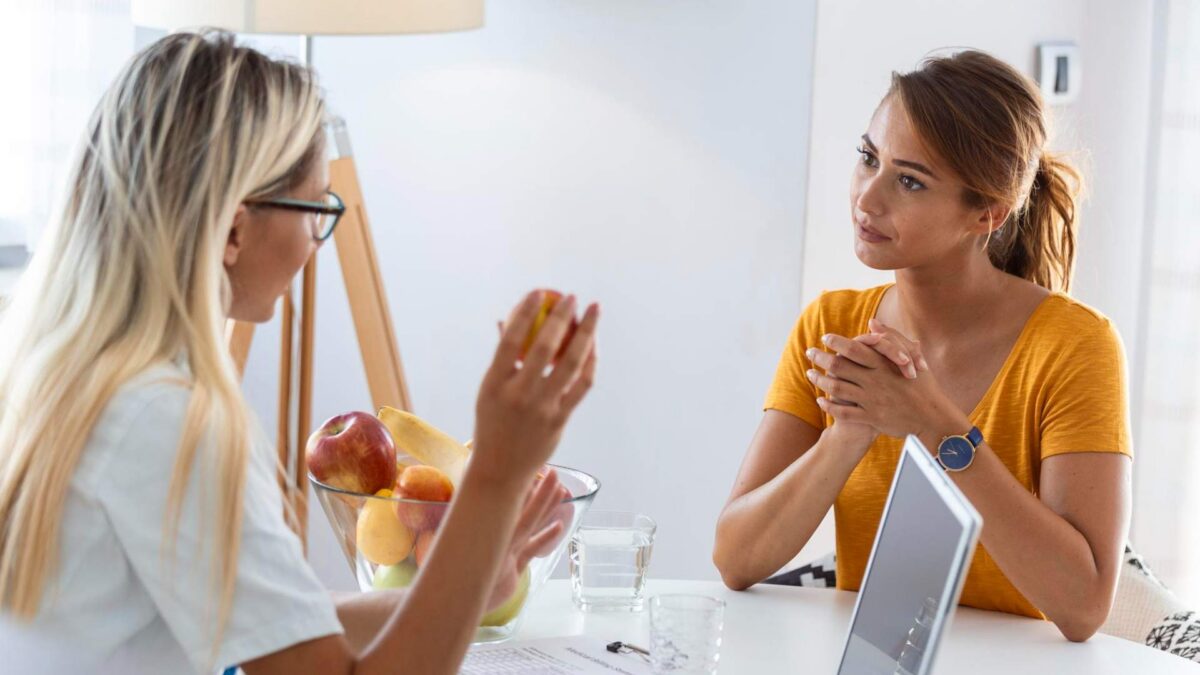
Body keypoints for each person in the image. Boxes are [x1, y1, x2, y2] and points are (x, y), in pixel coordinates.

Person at [0, 31, 599, 674]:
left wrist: (469, 583)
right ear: (234, 228)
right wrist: (497, 473)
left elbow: (288, 631)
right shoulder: (167, 423)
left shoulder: (62, 376)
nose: (316, 244)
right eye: (316, 211)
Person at [713, 50, 1131, 643]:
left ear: (987, 214)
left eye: (909, 181)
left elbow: (1083, 607)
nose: (867, 198)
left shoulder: (1075, 345)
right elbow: (736, 559)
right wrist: (849, 433)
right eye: (868, 158)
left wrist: (935, 427)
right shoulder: (831, 324)